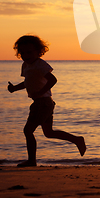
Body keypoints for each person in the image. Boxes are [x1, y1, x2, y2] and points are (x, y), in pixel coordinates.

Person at [8, 35, 86, 167]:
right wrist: (15, 88)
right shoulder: (26, 66)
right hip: (40, 103)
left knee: (28, 131)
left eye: (29, 52)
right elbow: (28, 82)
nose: (26, 55)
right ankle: (77, 140)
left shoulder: (40, 65)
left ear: (38, 52)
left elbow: (53, 80)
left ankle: (32, 161)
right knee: (49, 133)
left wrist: (41, 92)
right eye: (22, 52)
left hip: (44, 103)